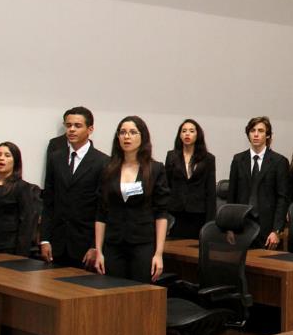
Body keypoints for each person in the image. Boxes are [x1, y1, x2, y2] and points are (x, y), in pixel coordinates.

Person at [94, 116, 170, 283]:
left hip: (142, 243)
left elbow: (161, 214)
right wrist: (98, 250)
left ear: (142, 137)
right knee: (113, 292)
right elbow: (101, 212)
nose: (126, 137)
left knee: (139, 293)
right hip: (113, 243)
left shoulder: (155, 169)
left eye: (132, 132)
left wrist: (158, 253)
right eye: (122, 132)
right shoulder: (108, 168)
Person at [40, 107, 108, 267]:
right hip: (57, 241)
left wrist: (95, 245)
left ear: (90, 129)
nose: (71, 130)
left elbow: (103, 208)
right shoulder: (56, 158)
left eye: (77, 126)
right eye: (68, 125)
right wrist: (44, 238)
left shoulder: (103, 161)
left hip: (84, 243)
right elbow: (49, 200)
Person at [227, 116, 288, 249]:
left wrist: (276, 230)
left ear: (267, 135)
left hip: (267, 228)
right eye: (252, 130)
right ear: (248, 134)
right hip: (241, 225)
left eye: (260, 131)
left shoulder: (279, 161)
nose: (256, 134)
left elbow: (282, 198)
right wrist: (229, 227)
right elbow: (232, 195)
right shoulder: (238, 160)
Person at [164, 119, 217, 239]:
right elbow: (166, 186)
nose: (187, 134)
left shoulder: (208, 159)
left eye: (191, 131)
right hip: (176, 212)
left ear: (198, 135)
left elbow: (210, 192)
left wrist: (210, 222)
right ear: (180, 135)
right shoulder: (172, 156)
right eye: (184, 131)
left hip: (198, 213)